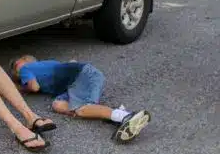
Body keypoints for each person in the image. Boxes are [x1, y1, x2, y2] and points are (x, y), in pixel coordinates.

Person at [11, 55, 151, 143]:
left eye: (16, 66)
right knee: (58, 105)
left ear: (25, 60)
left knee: (81, 110)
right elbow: (72, 62)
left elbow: (34, 87)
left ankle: (125, 116)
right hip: (82, 80)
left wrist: (21, 88)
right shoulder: (49, 64)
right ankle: (110, 113)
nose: (17, 72)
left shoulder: (26, 69)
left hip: (83, 77)